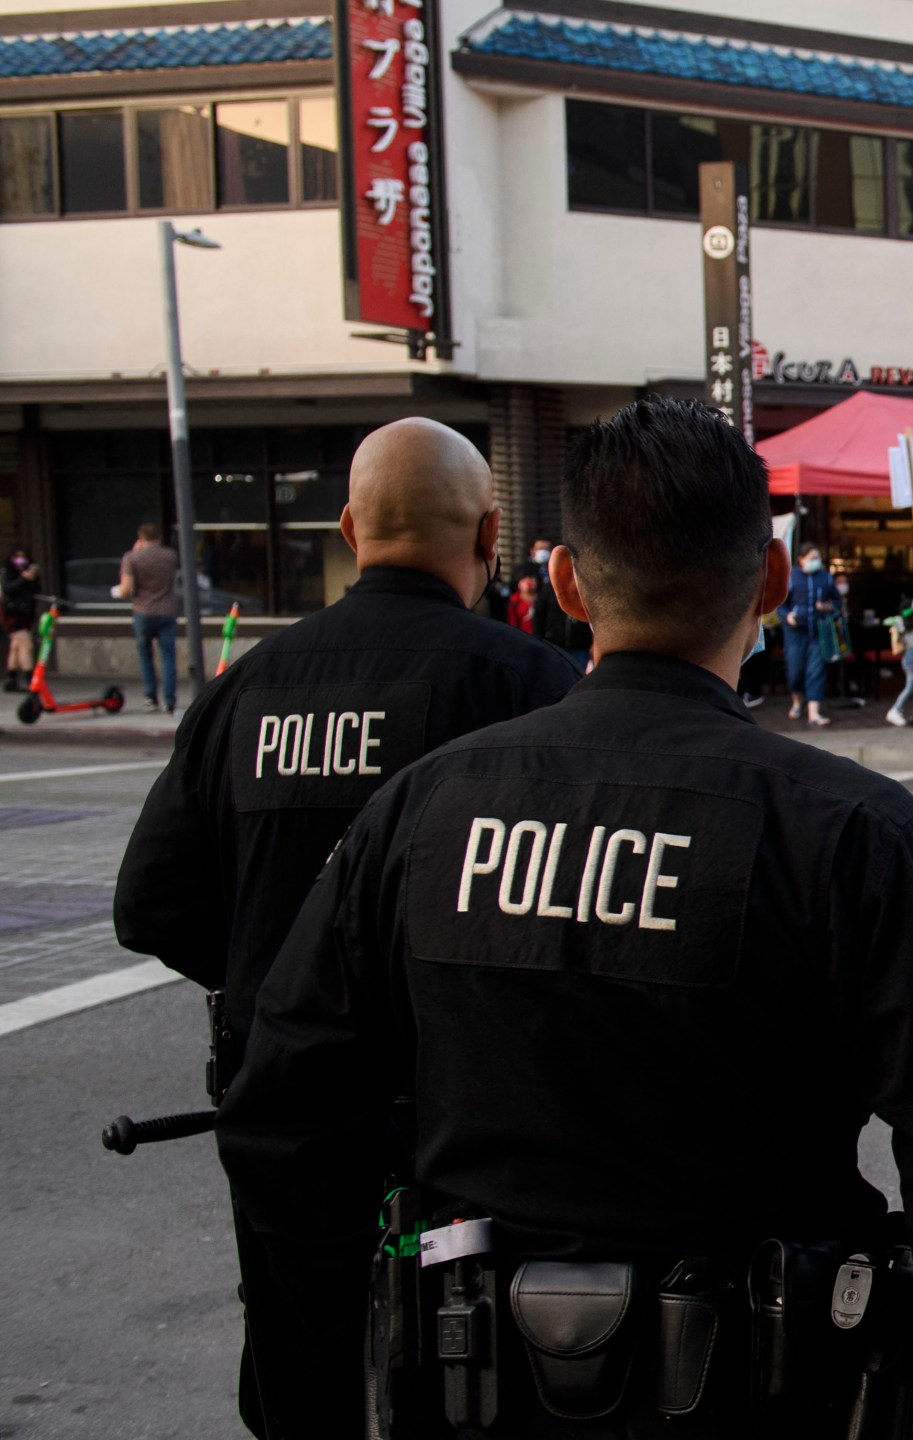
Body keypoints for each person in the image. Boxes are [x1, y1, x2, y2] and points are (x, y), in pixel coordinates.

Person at [215, 397, 913, 1437]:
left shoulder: (421, 812)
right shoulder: (847, 831)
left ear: (565, 581)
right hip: (761, 1388)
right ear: (774, 584)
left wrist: (344, 1358)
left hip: (471, 1384)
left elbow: (281, 1110)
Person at [113, 416, 582, 1438]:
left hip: (284, 1113)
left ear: (348, 528)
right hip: (473, 1116)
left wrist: (277, 981)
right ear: (490, 531)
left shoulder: (248, 691)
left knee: (300, 1373)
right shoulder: (527, 686)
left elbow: (150, 903)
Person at [113, 522, 181, 711]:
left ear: (140, 538)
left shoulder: (132, 558)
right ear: (159, 537)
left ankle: (151, 697)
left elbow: (125, 590)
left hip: (143, 611)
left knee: (145, 655)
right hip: (167, 610)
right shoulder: (170, 556)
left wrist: (135, 552)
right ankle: (170, 699)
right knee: (168, 656)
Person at [781, 541, 838, 726]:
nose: (816, 561)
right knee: (795, 670)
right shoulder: (791, 577)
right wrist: (787, 616)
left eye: (817, 558)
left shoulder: (826, 578)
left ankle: (814, 713)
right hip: (795, 632)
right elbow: (780, 605)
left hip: (818, 631)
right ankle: (798, 700)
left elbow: (837, 603)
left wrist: (828, 607)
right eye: (811, 558)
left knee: (816, 670)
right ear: (801, 560)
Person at [4, 547, 37, 691]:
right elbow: (8, 589)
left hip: (26, 614)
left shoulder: (29, 571)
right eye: (17, 557)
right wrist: (23, 578)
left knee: (16, 647)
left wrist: (31, 577)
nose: (20, 560)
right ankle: (31, 679)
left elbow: (37, 589)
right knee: (26, 645)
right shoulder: (7, 573)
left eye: (23, 557)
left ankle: (12, 680)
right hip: (12, 614)